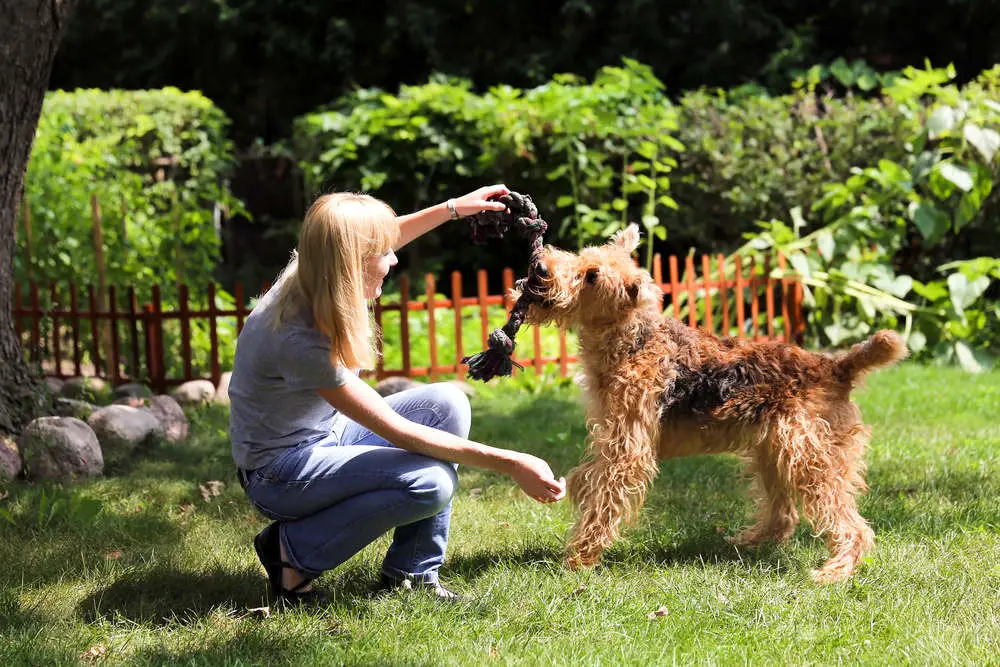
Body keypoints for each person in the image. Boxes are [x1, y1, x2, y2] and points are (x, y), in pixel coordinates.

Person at [228, 185, 567, 605]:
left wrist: (453, 209)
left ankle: (411, 573)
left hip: (327, 436)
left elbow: (379, 238)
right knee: (429, 483)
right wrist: (514, 462)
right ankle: (291, 553)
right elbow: (400, 434)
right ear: (350, 262)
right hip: (279, 472)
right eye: (382, 254)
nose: (393, 259)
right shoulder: (298, 338)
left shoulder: (313, 271)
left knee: (447, 403)